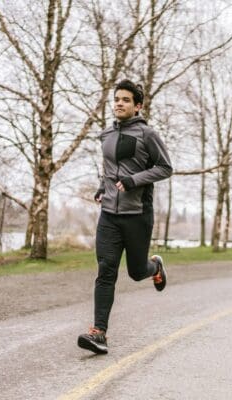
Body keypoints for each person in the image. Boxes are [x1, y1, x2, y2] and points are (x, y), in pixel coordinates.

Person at [77, 79, 173, 355]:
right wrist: (102, 187)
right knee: (106, 271)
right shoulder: (106, 134)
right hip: (109, 214)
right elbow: (110, 169)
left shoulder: (148, 135)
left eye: (126, 100)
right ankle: (98, 333)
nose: (119, 103)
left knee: (135, 272)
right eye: (117, 99)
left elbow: (165, 168)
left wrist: (134, 180)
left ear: (137, 106)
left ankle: (155, 267)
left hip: (137, 214)